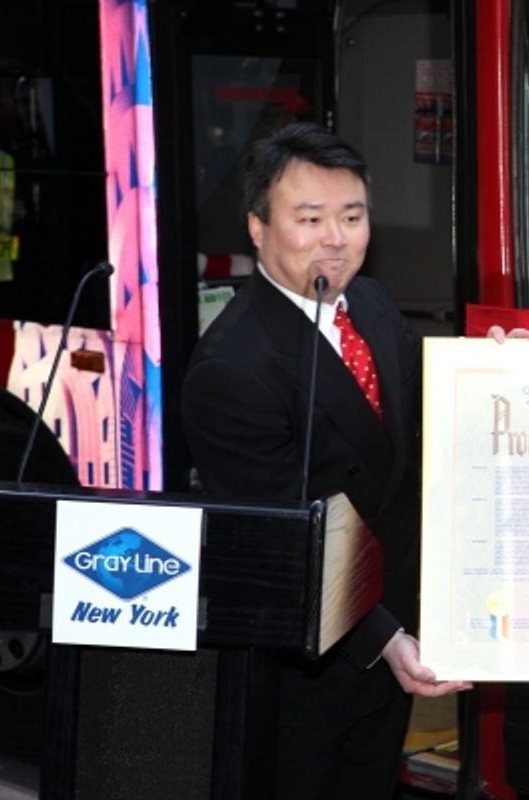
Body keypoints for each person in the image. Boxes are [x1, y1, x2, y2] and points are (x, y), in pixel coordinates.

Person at [182, 122, 470, 799]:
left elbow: (423, 429)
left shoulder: (365, 303)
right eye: (309, 219)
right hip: (308, 666)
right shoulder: (233, 367)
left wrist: (503, 380)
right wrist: (390, 640)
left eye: (352, 216)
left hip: (391, 635)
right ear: (257, 227)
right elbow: (282, 539)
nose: (336, 239)